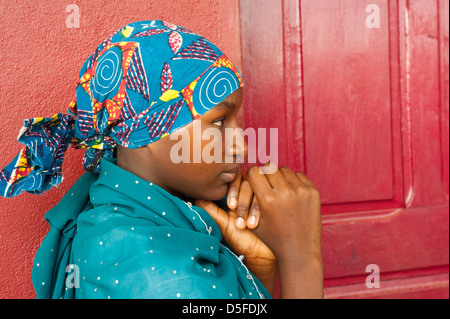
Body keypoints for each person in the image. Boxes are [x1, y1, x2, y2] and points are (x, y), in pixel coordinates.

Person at [0, 20, 323, 299]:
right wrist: (300, 257)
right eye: (221, 122)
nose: (242, 147)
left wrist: (257, 264)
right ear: (149, 133)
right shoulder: (150, 272)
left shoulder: (133, 220)